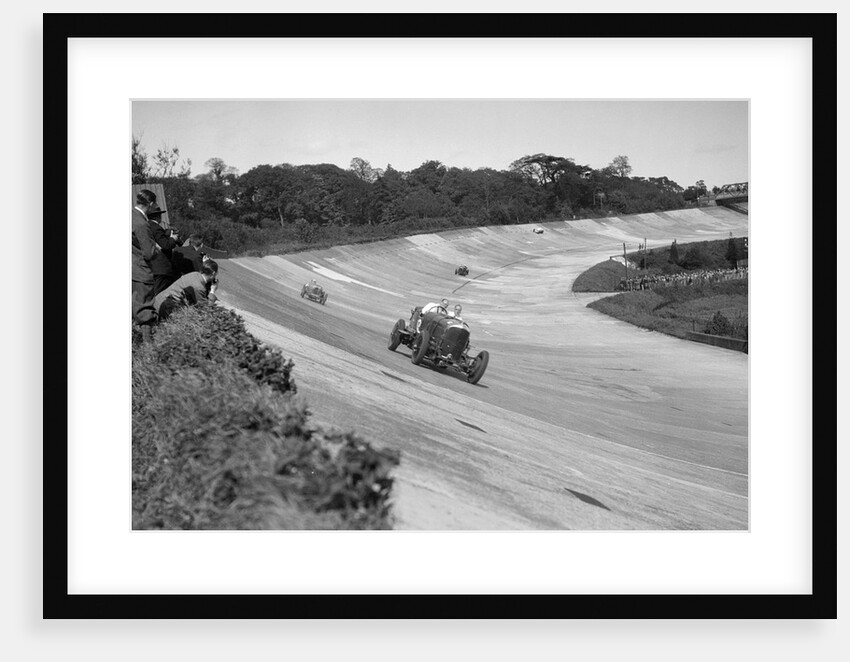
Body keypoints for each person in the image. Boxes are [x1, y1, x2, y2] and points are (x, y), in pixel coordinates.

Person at [132, 189, 160, 342]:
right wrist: (156, 248)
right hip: (140, 270)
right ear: (150, 204)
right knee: (144, 309)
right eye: (154, 204)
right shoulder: (142, 223)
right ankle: (148, 348)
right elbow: (149, 253)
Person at [154, 260, 220, 322]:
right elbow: (203, 308)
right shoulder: (199, 287)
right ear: (213, 273)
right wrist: (212, 291)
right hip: (163, 308)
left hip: (159, 300)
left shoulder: (194, 274)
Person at [146, 204, 180, 295]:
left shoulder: (147, 226)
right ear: (158, 216)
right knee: (159, 293)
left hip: (152, 266)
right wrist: (173, 239)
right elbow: (166, 245)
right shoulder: (156, 227)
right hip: (161, 267)